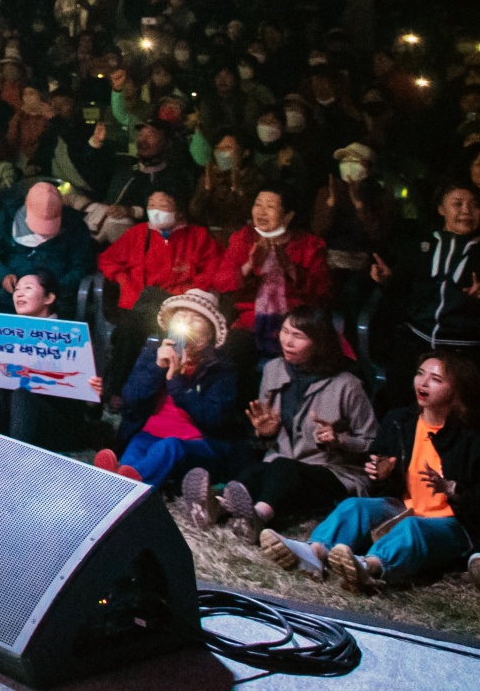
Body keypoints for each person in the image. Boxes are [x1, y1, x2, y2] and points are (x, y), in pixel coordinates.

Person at [262, 351, 480, 594]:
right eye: (420, 374)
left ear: (457, 390)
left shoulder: (475, 439)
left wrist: (452, 490)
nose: (423, 383)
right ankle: (314, 552)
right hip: (405, 507)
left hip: (454, 524)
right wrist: (383, 476)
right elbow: (379, 486)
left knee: (413, 528)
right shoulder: (399, 422)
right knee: (355, 506)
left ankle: (369, 567)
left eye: (436, 379)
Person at [186, 306, 374, 545]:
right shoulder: (273, 369)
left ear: (319, 343)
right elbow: (270, 442)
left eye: (298, 336)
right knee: (258, 469)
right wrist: (266, 434)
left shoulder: (348, 384)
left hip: (332, 472)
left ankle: (257, 518)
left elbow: (372, 442)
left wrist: (340, 440)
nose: (288, 341)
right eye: (285, 331)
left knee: (284, 467)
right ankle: (217, 505)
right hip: (281, 466)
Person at [107, 290, 240, 490]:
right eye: (181, 316)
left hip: (194, 443)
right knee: (136, 447)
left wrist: (177, 381)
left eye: (196, 319)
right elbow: (131, 400)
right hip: (149, 434)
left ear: (210, 332)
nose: (187, 323)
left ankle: (122, 486)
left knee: (168, 447)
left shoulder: (220, 368)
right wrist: (156, 368)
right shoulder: (153, 354)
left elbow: (214, 419)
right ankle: (118, 480)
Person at [369, 184, 480, 381]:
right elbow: (402, 294)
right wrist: (388, 280)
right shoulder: (420, 246)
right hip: (417, 343)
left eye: (475, 205)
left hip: (465, 352)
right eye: (457, 204)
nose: (466, 211)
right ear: (441, 209)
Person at [0, 271, 104, 451]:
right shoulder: (5, 333)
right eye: (17, 289)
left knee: (22, 394)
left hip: (55, 424)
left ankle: (17, 459)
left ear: (49, 298)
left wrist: (92, 391)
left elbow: (91, 407)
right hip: (11, 420)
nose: (19, 294)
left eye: (28, 288)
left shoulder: (71, 337)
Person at [204, 186, 329, 379]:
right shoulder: (243, 239)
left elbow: (323, 290)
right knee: (228, 357)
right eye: (258, 204)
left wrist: (290, 268)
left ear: (288, 216)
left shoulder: (308, 244)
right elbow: (221, 281)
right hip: (250, 322)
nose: (261, 212)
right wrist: (249, 266)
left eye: (270, 206)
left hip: (294, 324)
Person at [96, 191, 215, 383]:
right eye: (151, 205)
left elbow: (213, 271)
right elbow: (108, 259)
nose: (156, 210)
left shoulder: (198, 237)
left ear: (179, 211)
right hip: (139, 305)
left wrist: (184, 294)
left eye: (163, 205)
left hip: (176, 308)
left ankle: (171, 388)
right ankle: (116, 390)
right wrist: (123, 280)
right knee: (127, 332)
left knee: (174, 336)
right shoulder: (138, 233)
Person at [0, 181, 97, 315]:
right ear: (26, 207)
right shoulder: (8, 217)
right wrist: (4, 274)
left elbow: (81, 267)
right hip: (15, 291)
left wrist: (54, 287)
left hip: (57, 295)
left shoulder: (75, 226)